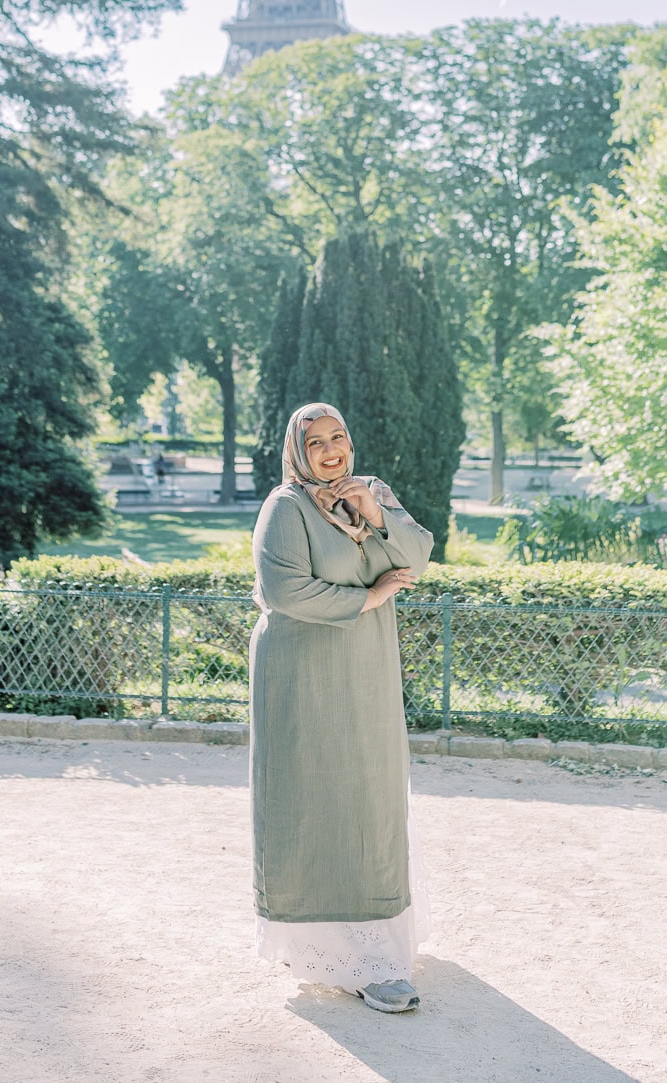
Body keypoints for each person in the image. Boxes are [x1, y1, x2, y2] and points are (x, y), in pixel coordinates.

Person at [250, 401, 434, 1013]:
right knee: (318, 796)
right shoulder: (286, 507)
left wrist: (376, 513)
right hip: (303, 673)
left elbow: (416, 556)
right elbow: (285, 591)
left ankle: (379, 946)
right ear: (297, 451)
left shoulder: (369, 492)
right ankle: (346, 957)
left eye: (340, 438)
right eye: (317, 442)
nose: (331, 452)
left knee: (372, 793)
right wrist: (373, 596)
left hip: (367, 667)